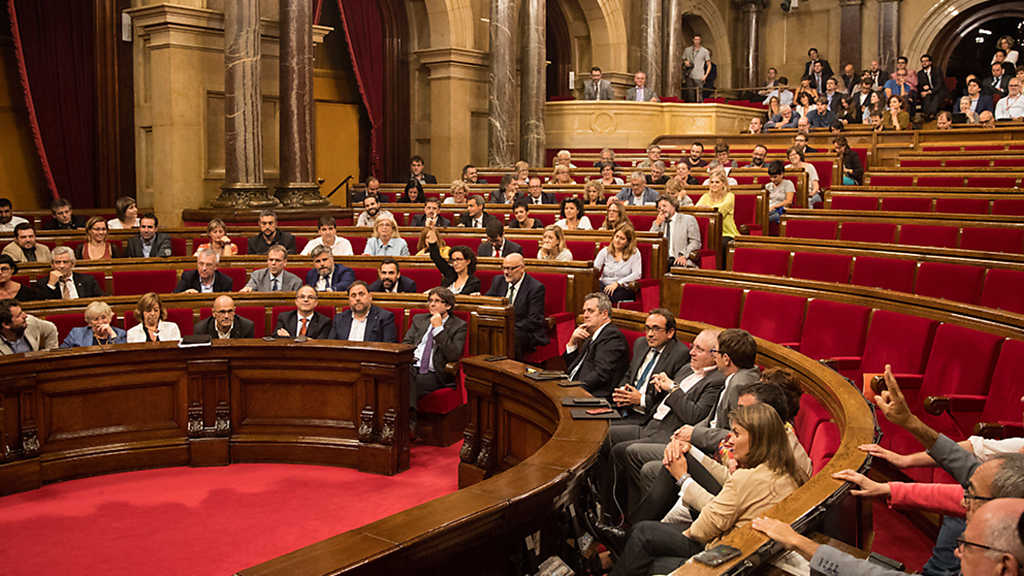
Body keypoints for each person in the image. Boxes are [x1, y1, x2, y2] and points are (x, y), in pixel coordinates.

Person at [610, 403, 804, 576]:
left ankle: (620, 546)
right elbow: (729, 480)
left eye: (736, 434)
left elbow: (702, 530)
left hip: (727, 558)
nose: (729, 440)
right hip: (742, 549)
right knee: (642, 534)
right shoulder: (782, 468)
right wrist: (691, 450)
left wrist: (683, 479)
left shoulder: (749, 478)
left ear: (757, 439)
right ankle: (623, 543)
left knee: (643, 543)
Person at [404, 286, 467, 414]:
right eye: (430, 300)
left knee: (408, 384)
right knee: (401, 377)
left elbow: (453, 355)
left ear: (448, 306)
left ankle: (407, 419)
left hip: (435, 373)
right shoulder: (419, 319)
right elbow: (406, 344)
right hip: (412, 366)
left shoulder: (459, 326)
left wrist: (438, 329)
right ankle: (409, 418)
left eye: (437, 301)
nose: (432, 304)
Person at [564, 291, 629, 400]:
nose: (585, 315)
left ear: (604, 314)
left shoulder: (612, 336)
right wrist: (572, 342)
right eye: (584, 311)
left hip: (594, 396)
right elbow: (574, 368)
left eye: (590, 311)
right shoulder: (592, 334)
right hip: (578, 387)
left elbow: (601, 374)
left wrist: (574, 389)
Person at [485, 253, 548, 358]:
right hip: (501, 326)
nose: (506, 272)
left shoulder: (535, 288)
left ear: (522, 268)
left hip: (524, 331)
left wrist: (508, 327)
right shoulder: (498, 280)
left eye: (511, 268)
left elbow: (534, 320)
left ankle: (510, 367)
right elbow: (489, 301)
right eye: (504, 268)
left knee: (512, 335)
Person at [329, 280, 397, 342]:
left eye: (361, 294)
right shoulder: (339, 319)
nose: (357, 298)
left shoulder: (384, 318)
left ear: (370, 297)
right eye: (353, 295)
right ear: (349, 301)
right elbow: (331, 346)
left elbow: (389, 347)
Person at [594, 224, 642, 304]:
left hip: (622, 288)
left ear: (628, 242)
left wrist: (618, 283)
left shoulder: (634, 253)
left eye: (622, 238)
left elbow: (637, 274)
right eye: (616, 236)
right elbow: (594, 269)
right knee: (595, 293)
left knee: (605, 298)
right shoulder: (605, 251)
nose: (617, 240)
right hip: (604, 286)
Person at [697, 169, 738, 261]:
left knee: (719, 243)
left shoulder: (730, 196)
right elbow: (696, 210)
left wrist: (706, 208)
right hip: (708, 233)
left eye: (717, 182)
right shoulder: (705, 196)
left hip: (726, 233)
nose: (714, 184)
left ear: (723, 184)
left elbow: (720, 211)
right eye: (712, 182)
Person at [651, 195, 701, 268]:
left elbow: (695, 242)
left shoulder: (688, 220)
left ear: (673, 206)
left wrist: (684, 255)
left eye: (664, 206)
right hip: (662, 262)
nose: (662, 209)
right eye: (659, 208)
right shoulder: (658, 223)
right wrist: (657, 224)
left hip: (679, 260)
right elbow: (650, 242)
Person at [60, 301, 127, 348]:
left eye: (103, 317)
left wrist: (112, 335)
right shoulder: (76, 334)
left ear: (110, 318)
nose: (100, 322)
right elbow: (63, 352)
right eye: (96, 319)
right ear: (89, 322)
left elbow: (123, 355)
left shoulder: (120, 333)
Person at [916, 54, 946, 120]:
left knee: (936, 96)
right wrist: (922, 90)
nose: (924, 63)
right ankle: (927, 114)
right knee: (927, 96)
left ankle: (931, 113)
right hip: (927, 93)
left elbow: (939, 84)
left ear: (930, 62)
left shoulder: (937, 70)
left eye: (926, 61)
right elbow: (919, 86)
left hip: (938, 91)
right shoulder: (920, 73)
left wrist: (930, 91)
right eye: (922, 61)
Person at [682, 35, 711, 102]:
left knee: (699, 95)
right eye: (695, 39)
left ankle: (700, 107)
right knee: (690, 95)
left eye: (698, 40)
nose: (697, 41)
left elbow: (709, 65)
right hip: (689, 75)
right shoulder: (687, 50)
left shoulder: (705, 51)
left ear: (700, 41)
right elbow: (683, 59)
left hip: (699, 76)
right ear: (693, 40)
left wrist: (705, 75)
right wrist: (685, 62)